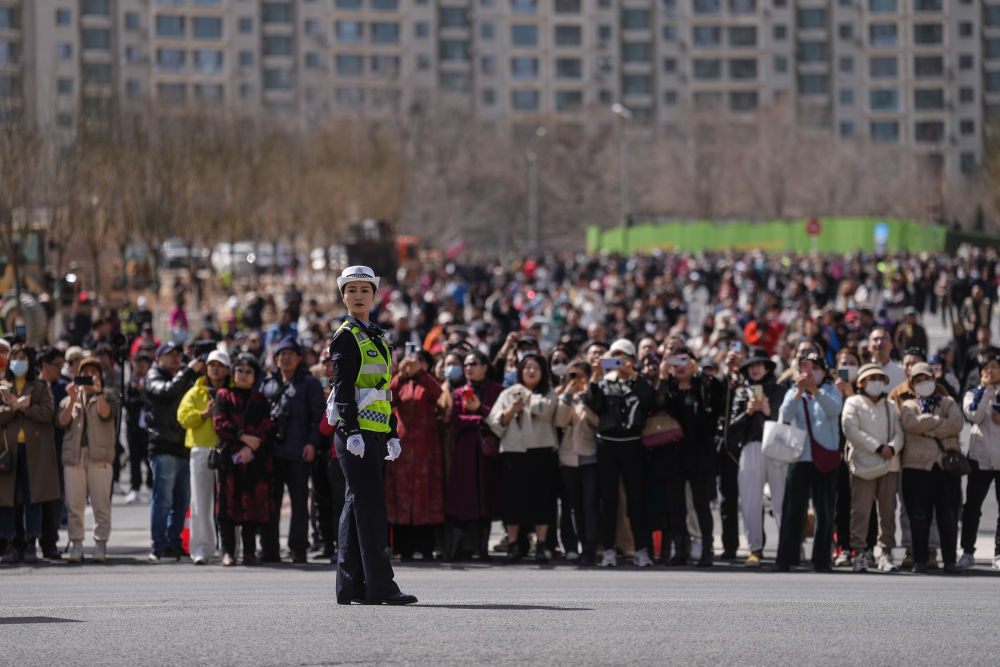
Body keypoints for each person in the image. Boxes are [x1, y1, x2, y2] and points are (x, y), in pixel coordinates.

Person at [330, 266, 416, 605]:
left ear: (374, 295)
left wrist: (392, 431)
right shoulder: (347, 335)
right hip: (357, 434)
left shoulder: (375, 336)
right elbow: (344, 386)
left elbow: (383, 390)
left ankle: (351, 587)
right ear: (343, 296)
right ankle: (381, 586)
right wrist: (351, 430)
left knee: (356, 508)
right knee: (370, 511)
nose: (358, 296)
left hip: (375, 431)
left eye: (364, 290)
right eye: (351, 290)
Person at [583, 338, 656, 568]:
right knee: (609, 500)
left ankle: (642, 549)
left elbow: (649, 402)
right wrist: (595, 376)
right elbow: (593, 404)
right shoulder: (605, 382)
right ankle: (609, 551)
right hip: (608, 444)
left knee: (637, 499)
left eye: (624, 356)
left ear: (633, 359)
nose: (620, 361)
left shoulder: (639, 383)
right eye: (615, 356)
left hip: (633, 444)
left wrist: (633, 374)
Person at [773, 352, 843, 572]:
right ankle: (786, 558)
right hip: (800, 457)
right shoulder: (793, 391)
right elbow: (784, 415)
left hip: (826, 457)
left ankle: (822, 560)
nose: (811, 373)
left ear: (823, 371)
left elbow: (835, 410)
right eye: (806, 368)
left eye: (815, 368)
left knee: (824, 510)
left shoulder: (831, 390)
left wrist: (815, 391)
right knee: (793, 509)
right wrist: (800, 393)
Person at [486, 352, 559, 563]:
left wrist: (526, 399)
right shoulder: (509, 393)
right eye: (527, 367)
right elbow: (494, 420)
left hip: (541, 451)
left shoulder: (548, 392)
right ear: (520, 371)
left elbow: (546, 410)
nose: (531, 371)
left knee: (542, 499)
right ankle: (514, 543)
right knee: (513, 499)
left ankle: (542, 544)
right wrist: (510, 411)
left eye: (536, 368)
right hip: (513, 451)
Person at [657, 346, 725, 567]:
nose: (679, 368)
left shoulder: (702, 385)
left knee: (701, 504)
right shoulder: (671, 388)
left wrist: (699, 374)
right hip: (674, 454)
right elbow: (658, 403)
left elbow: (717, 399)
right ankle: (680, 550)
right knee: (676, 505)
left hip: (699, 454)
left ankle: (707, 548)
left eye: (683, 362)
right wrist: (664, 376)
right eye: (675, 363)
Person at [259, 335, 324, 564]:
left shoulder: (310, 384)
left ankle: (298, 549)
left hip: (298, 452)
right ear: (275, 359)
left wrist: (311, 443)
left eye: (290, 354)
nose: (285, 358)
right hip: (272, 452)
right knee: (270, 503)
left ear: (299, 358)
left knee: (299, 503)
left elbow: (318, 417)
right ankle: (269, 549)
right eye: (281, 354)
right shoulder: (267, 385)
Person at [899, 362, 964, 573]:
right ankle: (920, 559)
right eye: (918, 381)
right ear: (912, 384)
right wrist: (937, 421)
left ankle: (950, 560)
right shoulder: (909, 405)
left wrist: (927, 427)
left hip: (944, 468)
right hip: (916, 469)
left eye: (926, 379)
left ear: (934, 380)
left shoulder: (949, 402)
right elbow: (910, 424)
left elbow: (956, 424)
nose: (923, 383)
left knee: (947, 516)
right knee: (918, 516)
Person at [841, 363, 903, 573]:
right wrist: (877, 448)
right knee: (860, 511)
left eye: (879, 378)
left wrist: (892, 448)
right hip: (863, 464)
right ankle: (858, 553)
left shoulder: (891, 405)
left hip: (889, 464)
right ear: (862, 382)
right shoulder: (853, 402)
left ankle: (886, 554)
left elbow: (899, 432)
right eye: (871, 378)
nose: (876, 382)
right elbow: (850, 429)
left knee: (887, 512)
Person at [213, 353, 274, 566]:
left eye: (249, 371)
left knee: (251, 505)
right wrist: (242, 438)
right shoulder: (223, 395)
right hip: (229, 457)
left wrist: (250, 447)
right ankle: (227, 552)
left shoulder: (260, 399)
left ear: (255, 375)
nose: (244, 374)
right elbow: (219, 423)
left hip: (254, 458)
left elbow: (266, 425)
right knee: (226, 507)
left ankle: (249, 552)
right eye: (240, 369)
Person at [727, 347, 786, 568]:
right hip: (751, 447)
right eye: (751, 366)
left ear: (767, 368)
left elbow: (787, 418)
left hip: (776, 447)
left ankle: (787, 547)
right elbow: (732, 426)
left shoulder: (779, 390)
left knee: (780, 498)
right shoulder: (742, 392)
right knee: (750, 501)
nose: (755, 369)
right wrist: (748, 412)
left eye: (759, 365)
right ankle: (754, 549)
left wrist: (769, 412)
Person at [0, 344, 58, 564]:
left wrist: (26, 407)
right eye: (15, 357)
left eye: (23, 358)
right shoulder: (3, 386)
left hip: (35, 451)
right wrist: (13, 407)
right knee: (6, 498)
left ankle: (31, 542)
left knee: (34, 497)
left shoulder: (40, 386)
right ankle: (8, 543)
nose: (18, 362)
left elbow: (48, 413)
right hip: (8, 450)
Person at [145, 341, 203, 561]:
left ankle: (174, 542)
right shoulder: (154, 375)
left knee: (181, 501)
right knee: (164, 500)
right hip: (163, 447)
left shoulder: (184, 378)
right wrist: (188, 371)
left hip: (183, 446)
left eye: (178, 354)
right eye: (169, 355)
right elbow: (166, 392)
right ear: (158, 359)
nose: (176, 358)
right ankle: (158, 544)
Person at [58, 356, 119, 563]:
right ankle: (76, 545)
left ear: (100, 376)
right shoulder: (69, 399)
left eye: (93, 372)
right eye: (85, 373)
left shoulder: (109, 395)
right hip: (74, 457)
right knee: (74, 505)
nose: (88, 376)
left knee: (101, 504)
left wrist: (99, 392)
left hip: (99, 457)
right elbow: (62, 421)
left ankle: (100, 544)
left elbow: (106, 414)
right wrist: (73, 398)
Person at [445, 350, 503, 561]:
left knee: (486, 496)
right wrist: (478, 420)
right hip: (466, 449)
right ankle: (459, 547)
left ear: (485, 367)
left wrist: (480, 410)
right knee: (465, 497)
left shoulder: (498, 390)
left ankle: (483, 548)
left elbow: (500, 417)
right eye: (467, 364)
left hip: (488, 449)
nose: (469, 368)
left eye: (474, 364)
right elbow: (455, 419)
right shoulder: (460, 391)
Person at [386, 348, 444, 560]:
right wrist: (400, 375)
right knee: (400, 496)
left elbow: (438, 394)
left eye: (419, 360)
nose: (413, 364)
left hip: (426, 449)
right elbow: (388, 399)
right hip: (402, 448)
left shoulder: (427, 382)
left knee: (425, 495)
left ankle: (426, 546)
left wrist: (421, 373)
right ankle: (404, 547)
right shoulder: (400, 381)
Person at [177, 349, 231, 565]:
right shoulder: (196, 391)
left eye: (220, 365)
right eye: (212, 365)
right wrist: (203, 414)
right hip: (201, 449)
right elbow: (182, 417)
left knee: (229, 502)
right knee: (200, 502)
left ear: (227, 369)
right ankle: (202, 548)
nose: (215, 369)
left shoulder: (233, 389)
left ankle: (230, 547)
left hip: (227, 449)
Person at [553, 359, 600, 566]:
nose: (577, 380)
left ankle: (591, 547)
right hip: (568, 456)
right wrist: (568, 396)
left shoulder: (592, 395)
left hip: (589, 455)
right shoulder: (564, 398)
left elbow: (597, 421)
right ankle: (581, 545)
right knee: (575, 506)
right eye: (573, 375)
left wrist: (585, 399)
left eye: (581, 375)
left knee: (590, 504)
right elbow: (560, 422)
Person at [958, 353, 1000, 571]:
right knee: (972, 508)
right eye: (985, 368)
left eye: (993, 367)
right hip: (979, 459)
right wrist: (985, 393)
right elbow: (973, 415)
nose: (989, 372)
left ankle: (999, 553)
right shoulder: (972, 393)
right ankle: (967, 551)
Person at [37, 346, 68, 560]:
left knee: (54, 500)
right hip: (32, 451)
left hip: (56, 450)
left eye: (62, 365)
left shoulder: (65, 387)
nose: (60, 369)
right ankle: (26, 542)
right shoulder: (32, 387)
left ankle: (50, 544)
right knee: (32, 500)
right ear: (44, 365)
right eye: (56, 365)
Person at [124, 351, 154, 503]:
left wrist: (143, 391)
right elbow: (128, 402)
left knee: (149, 460)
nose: (139, 369)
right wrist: (137, 390)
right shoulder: (130, 384)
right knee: (134, 459)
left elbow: (153, 402)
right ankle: (135, 488)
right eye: (137, 366)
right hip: (134, 427)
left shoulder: (153, 382)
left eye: (142, 366)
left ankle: (150, 487)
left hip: (149, 428)